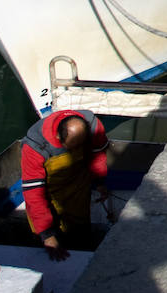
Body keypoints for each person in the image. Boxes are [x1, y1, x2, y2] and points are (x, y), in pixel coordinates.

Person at [22, 109, 110, 261]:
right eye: (71, 147)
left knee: (80, 229)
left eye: (79, 145)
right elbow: (33, 192)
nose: (75, 150)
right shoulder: (34, 146)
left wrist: (100, 181)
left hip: (78, 183)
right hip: (49, 189)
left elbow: (98, 154)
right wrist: (46, 235)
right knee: (47, 229)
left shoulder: (94, 125)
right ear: (57, 137)